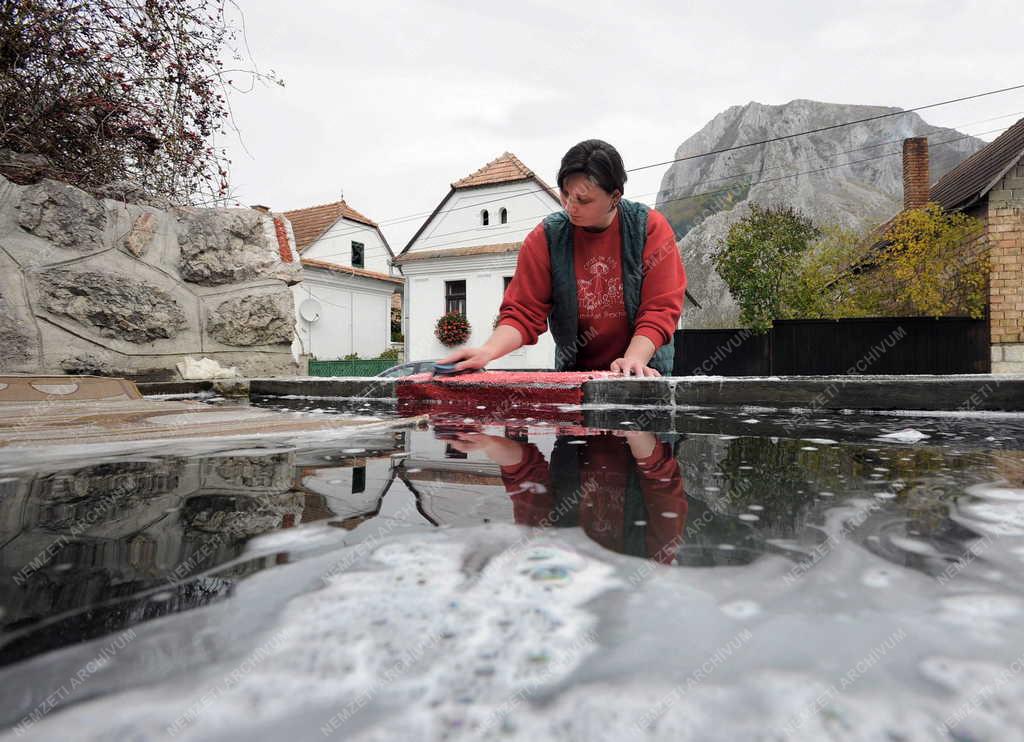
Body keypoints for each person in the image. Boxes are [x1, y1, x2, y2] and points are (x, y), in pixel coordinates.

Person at [437, 139, 686, 377]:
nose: (570, 207)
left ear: (615, 198)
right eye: (565, 194)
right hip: (576, 377)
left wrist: (633, 359)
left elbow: (660, 309)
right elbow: (523, 311)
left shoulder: (648, 228)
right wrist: (487, 351)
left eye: (583, 200)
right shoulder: (547, 237)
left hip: (644, 372)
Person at [449, 429, 687, 563]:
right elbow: (662, 477)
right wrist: (633, 430)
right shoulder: (654, 562)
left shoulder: (544, 550)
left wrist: (487, 443)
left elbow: (526, 474)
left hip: (575, 402)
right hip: (642, 410)